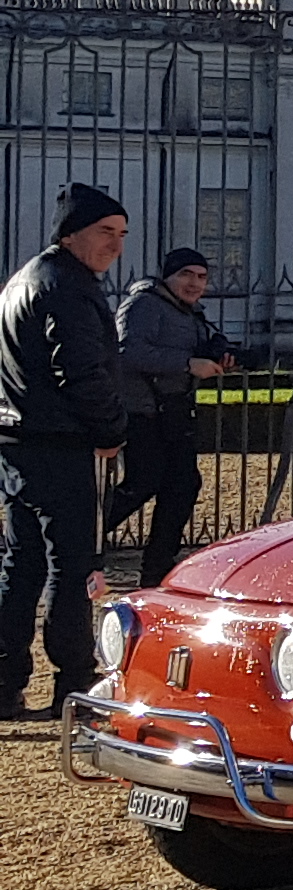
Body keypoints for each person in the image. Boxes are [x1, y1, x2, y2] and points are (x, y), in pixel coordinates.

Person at [0, 185, 131, 717]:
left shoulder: (22, 281)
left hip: (17, 443)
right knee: (69, 568)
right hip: (60, 445)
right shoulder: (67, 288)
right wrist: (111, 429)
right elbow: (79, 371)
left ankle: (6, 683)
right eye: (106, 232)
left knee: (21, 565)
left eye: (122, 234)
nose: (116, 245)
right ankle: (73, 685)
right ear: (70, 233)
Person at [108, 245, 238, 589]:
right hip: (141, 413)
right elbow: (126, 352)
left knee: (182, 486)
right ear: (168, 276)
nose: (195, 283)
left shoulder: (190, 313)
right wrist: (187, 363)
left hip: (174, 412)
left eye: (202, 277)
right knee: (142, 483)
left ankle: (157, 571)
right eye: (186, 275)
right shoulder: (144, 305)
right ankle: (74, 540)